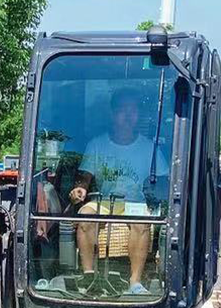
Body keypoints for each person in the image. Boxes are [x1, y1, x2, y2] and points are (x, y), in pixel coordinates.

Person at [68, 87, 168, 294]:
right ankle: (88, 276)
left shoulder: (150, 148)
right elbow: (84, 178)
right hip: (104, 201)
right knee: (85, 215)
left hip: (137, 203)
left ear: (138, 114)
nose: (129, 115)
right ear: (113, 114)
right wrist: (79, 189)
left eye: (133, 110)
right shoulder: (97, 145)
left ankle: (135, 283)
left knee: (142, 223)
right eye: (123, 109)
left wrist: (155, 190)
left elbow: (164, 183)